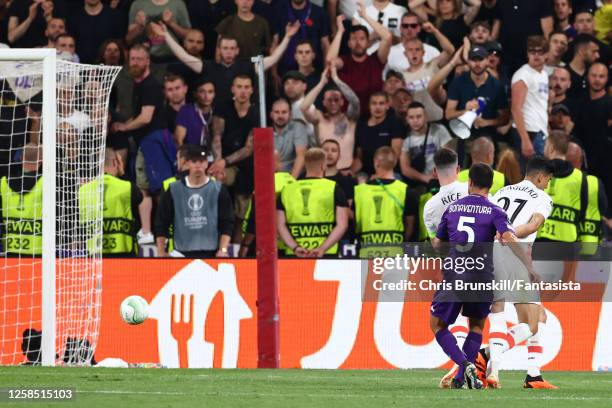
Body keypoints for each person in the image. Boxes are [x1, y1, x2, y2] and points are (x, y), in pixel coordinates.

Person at [430, 163, 526, 389]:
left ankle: (463, 364)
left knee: (438, 325)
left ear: (469, 182)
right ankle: (460, 377)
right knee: (476, 327)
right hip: (483, 277)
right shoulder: (496, 211)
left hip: (456, 274)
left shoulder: (452, 208)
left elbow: (437, 243)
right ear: (490, 185)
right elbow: (509, 237)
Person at [485, 157, 556, 389]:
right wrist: (509, 233)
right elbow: (534, 225)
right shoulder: (543, 198)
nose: (547, 185)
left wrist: (500, 234)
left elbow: (487, 223)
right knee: (531, 324)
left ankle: (533, 375)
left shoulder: (502, 192)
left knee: (538, 315)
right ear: (539, 177)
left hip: (491, 254)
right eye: (547, 180)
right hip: (516, 255)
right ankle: (486, 355)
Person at [111, 44, 169, 246]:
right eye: (132, 58)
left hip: (152, 142)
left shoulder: (150, 85)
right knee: (154, 188)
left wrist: (124, 128)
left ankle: (148, 232)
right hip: (150, 141)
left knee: (146, 188)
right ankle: (158, 232)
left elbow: (145, 118)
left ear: (148, 61)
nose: (134, 62)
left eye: (139, 59)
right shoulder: (138, 84)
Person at [154, 146, 234, 258]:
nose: (198, 165)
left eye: (201, 161)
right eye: (194, 161)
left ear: (207, 163)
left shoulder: (218, 189)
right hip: (180, 254)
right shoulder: (173, 189)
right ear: (188, 163)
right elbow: (161, 222)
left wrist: (223, 249)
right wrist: (161, 251)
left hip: (210, 253)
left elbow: (227, 222)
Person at [209, 74, 258, 243]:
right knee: (214, 180)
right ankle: (213, 238)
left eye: (246, 87)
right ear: (232, 89)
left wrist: (224, 161)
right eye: (239, 87)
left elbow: (249, 148)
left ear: (251, 90)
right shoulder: (223, 107)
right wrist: (218, 163)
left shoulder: (256, 113)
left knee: (241, 213)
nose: (243, 91)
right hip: (223, 161)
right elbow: (216, 136)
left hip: (245, 166)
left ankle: (237, 251)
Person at [277, 147, 349, 257]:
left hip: (294, 254)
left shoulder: (287, 190)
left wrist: (295, 247)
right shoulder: (334, 188)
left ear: (305, 164)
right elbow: (342, 224)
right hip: (327, 254)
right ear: (323, 165)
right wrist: (322, 248)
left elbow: (280, 225)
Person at [327, 9, 392, 117]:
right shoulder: (344, 61)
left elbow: (387, 37)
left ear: (367, 42)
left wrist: (365, 16)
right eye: (354, 39)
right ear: (348, 43)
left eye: (362, 39)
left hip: (374, 118)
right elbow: (330, 61)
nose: (358, 42)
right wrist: (340, 31)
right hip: (348, 119)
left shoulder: (376, 60)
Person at [354, 146, 415, 258]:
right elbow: (410, 225)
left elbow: (352, 222)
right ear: (395, 162)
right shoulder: (405, 190)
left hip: (365, 253)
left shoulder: (358, 191)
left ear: (376, 162)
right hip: (395, 253)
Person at [80, 148, 142, 256]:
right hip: (124, 255)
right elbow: (139, 197)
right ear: (115, 162)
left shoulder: (83, 190)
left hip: (93, 258)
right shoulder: (126, 187)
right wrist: (122, 173)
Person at [300, 65, 360, 172]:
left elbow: (355, 102)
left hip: (346, 172)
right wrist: (321, 83)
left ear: (342, 102)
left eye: (336, 100)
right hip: (323, 173)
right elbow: (304, 107)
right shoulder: (319, 118)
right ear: (323, 102)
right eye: (329, 100)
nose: (333, 103)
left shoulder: (350, 119)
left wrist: (336, 79)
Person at [445, 44, 509, 141]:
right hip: (462, 135)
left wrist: (486, 122)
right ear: (468, 62)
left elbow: (504, 118)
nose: (477, 64)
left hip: (488, 136)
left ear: (487, 60)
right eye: (473, 60)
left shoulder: (496, 85)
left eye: (480, 60)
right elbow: (448, 114)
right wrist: (466, 111)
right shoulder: (458, 82)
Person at [574, 63, 612, 214]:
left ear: (607, 78)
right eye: (594, 75)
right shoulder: (580, 101)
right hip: (584, 159)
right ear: (587, 77)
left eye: (601, 76)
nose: (597, 80)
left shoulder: (610, 103)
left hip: (607, 162)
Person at [537, 130, 583, 243]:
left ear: (551, 148)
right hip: (568, 241)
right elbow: (583, 210)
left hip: (539, 240)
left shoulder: (537, 172)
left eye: (546, 145)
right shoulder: (580, 177)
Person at [401, 24, 455, 122]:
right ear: (405, 54)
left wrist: (435, 31)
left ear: (423, 52)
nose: (414, 53)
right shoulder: (401, 76)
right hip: (415, 122)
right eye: (410, 50)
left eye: (417, 49)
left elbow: (450, 50)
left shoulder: (433, 65)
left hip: (438, 118)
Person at [510, 36, 549, 164]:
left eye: (540, 52)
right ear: (528, 54)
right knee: (530, 178)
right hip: (527, 132)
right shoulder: (523, 75)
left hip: (539, 131)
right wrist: (525, 140)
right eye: (532, 52)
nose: (536, 55)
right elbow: (516, 109)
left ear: (546, 54)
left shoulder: (544, 74)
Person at [0, 143, 43, 255]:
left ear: (20, 157)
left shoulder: (3, 182)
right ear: (41, 160)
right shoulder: (45, 183)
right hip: (38, 250)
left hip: (10, 248)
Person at [491, 0, 553, 74]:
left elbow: (548, 32)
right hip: (505, 57)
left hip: (531, 56)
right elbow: (496, 29)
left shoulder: (542, 1)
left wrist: (549, 53)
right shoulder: (501, 1)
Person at [400, 102, 453, 187]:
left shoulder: (439, 130)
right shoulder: (406, 138)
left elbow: (449, 157)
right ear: (407, 119)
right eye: (411, 117)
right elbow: (405, 168)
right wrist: (425, 178)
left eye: (419, 116)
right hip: (420, 181)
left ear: (426, 117)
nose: (415, 120)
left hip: (442, 178)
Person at [270, 0, 331, 74]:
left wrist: (327, 70)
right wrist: (273, 71)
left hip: (315, 69)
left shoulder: (319, 12)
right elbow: (275, 42)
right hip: (286, 70)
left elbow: (325, 44)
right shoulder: (279, 11)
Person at [354, 92, 406, 176]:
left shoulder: (394, 123)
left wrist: (379, 175)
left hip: (389, 172)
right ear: (369, 106)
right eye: (374, 103)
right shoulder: (361, 126)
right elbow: (360, 157)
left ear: (387, 106)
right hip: (365, 173)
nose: (377, 107)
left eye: (381, 103)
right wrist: (350, 172)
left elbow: (395, 154)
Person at [126, 0, 191, 61]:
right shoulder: (137, 4)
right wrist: (139, 26)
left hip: (172, 56)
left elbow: (188, 37)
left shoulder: (178, 3)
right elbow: (128, 40)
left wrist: (171, 23)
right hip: (143, 58)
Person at [271, 98, 308, 178]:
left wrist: (291, 181)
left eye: (284, 112)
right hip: (272, 177)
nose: (280, 116)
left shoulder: (298, 126)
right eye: (277, 112)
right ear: (271, 114)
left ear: (290, 114)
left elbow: (301, 155)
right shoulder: (266, 130)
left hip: (294, 176)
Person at [174, 78, 215, 149]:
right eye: (202, 92)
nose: (206, 96)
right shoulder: (186, 110)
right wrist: (185, 157)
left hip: (214, 156)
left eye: (210, 92)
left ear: (214, 94)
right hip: (191, 155)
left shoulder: (218, 111)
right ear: (195, 94)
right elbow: (178, 139)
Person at [567, 34, 600, 99]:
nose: (598, 56)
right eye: (594, 51)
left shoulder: (596, 74)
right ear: (581, 51)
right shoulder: (563, 74)